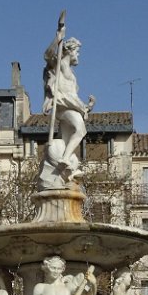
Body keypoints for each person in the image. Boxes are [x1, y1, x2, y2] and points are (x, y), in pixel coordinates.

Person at [41, 13, 95, 185]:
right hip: (62, 106)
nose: (78, 55)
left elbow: (74, 95)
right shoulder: (57, 64)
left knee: (66, 140)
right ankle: (64, 159)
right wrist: (59, 36)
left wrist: (87, 106)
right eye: (77, 51)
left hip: (71, 105)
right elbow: (48, 54)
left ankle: (67, 171)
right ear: (70, 51)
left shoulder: (71, 73)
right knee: (80, 130)